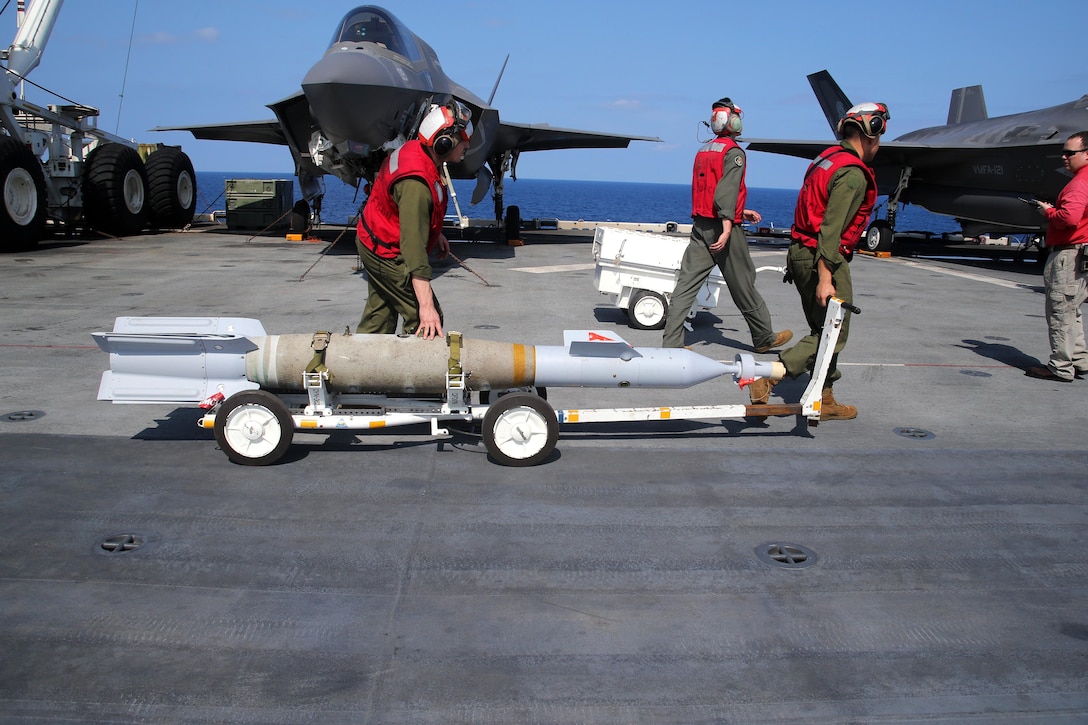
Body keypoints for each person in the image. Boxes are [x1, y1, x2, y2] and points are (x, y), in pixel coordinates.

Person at [748, 102, 889, 420]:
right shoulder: (853, 175)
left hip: (800, 252)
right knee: (834, 332)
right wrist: (826, 276)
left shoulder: (826, 159)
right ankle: (773, 372)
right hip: (822, 258)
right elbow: (831, 229)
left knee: (823, 328)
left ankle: (824, 398)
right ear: (870, 133)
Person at [662, 97, 792, 353]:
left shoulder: (704, 151)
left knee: (686, 285)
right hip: (723, 229)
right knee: (743, 282)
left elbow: (709, 192)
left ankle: (672, 343)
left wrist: (742, 211)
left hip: (701, 226)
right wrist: (729, 226)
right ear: (732, 121)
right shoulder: (734, 153)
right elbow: (725, 193)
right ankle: (764, 336)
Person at [355, 100, 473, 341]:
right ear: (443, 144)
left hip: (372, 239)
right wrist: (426, 306)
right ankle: (413, 373)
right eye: (462, 139)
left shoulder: (417, 152)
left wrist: (432, 231)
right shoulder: (416, 184)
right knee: (426, 321)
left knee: (379, 319)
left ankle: (361, 369)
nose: (467, 144)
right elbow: (413, 251)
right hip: (386, 251)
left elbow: (407, 212)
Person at [1025, 131, 1088, 381]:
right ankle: (1080, 359)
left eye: (1070, 153)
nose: (1064, 157)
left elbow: (1069, 218)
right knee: (1073, 309)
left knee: (1060, 309)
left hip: (1068, 255)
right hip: (1083, 253)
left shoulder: (1078, 183)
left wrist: (1049, 212)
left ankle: (1060, 367)